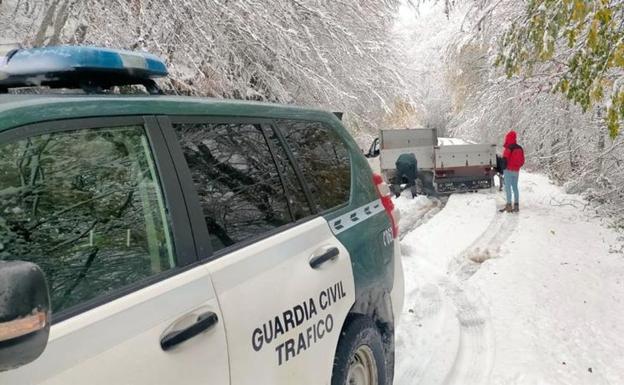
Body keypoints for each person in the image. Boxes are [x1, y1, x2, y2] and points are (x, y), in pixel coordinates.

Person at [499, 130, 525, 213]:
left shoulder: (508, 148)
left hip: (508, 171)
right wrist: (517, 167)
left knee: (508, 188)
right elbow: (522, 160)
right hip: (516, 171)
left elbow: (504, 160)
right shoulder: (520, 148)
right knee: (515, 187)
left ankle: (509, 205)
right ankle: (516, 205)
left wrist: (502, 169)